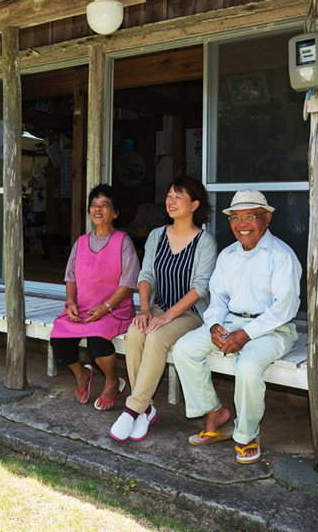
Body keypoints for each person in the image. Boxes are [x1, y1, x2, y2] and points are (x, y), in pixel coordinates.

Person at [172, 190, 301, 464]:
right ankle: (214, 413)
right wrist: (215, 325)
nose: (242, 225)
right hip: (231, 321)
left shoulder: (281, 255)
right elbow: (217, 298)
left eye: (250, 217)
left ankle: (247, 434)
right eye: (236, 218)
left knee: (248, 366)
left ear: (266, 219)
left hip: (273, 328)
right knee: (184, 349)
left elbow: (284, 308)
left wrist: (246, 335)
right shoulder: (228, 255)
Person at [109, 176, 217, 442]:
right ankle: (146, 408)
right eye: (169, 194)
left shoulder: (205, 242)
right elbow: (146, 275)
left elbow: (200, 288)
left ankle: (133, 410)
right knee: (136, 333)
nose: (171, 200)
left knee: (156, 338)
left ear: (194, 205)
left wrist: (168, 316)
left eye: (179, 196)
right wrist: (145, 310)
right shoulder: (157, 235)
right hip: (157, 308)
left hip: (189, 315)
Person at [50, 184, 139, 411]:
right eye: (94, 205)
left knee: (97, 343)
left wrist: (106, 307)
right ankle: (83, 376)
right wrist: (70, 303)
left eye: (104, 206)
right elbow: (71, 278)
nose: (97, 210)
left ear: (115, 213)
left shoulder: (123, 242)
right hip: (83, 308)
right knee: (59, 340)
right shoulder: (80, 242)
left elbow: (128, 283)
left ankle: (112, 381)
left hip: (114, 310)